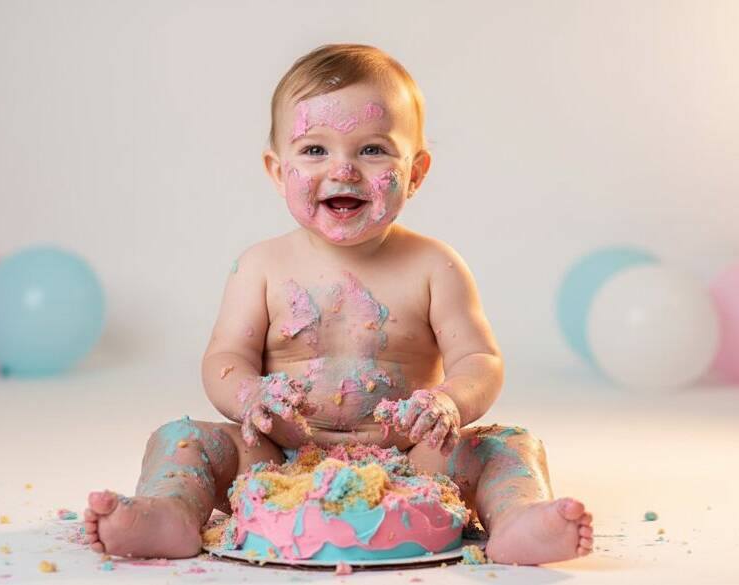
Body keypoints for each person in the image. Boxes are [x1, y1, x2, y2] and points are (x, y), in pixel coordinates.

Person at [83, 44, 593, 565]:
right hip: (272, 459)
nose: (343, 170)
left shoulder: (435, 267)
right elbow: (223, 359)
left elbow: (480, 361)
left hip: (416, 460)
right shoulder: (261, 267)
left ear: (415, 173)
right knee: (182, 438)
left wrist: (449, 402)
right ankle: (169, 514)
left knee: (507, 444)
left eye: (372, 150)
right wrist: (248, 395)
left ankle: (517, 520)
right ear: (278, 170)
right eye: (314, 150)